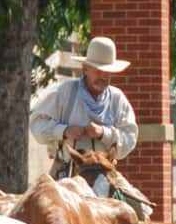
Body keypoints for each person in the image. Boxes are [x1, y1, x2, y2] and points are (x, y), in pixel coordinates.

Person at [29, 37, 138, 197]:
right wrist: (64, 131)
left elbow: (130, 137)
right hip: (66, 170)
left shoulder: (117, 98)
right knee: (38, 209)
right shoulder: (64, 92)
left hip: (105, 173)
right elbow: (37, 125)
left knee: (140, 211)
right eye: (97, 70)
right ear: (86, 68)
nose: (103, 76)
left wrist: (104, 133)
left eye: (107, 71)